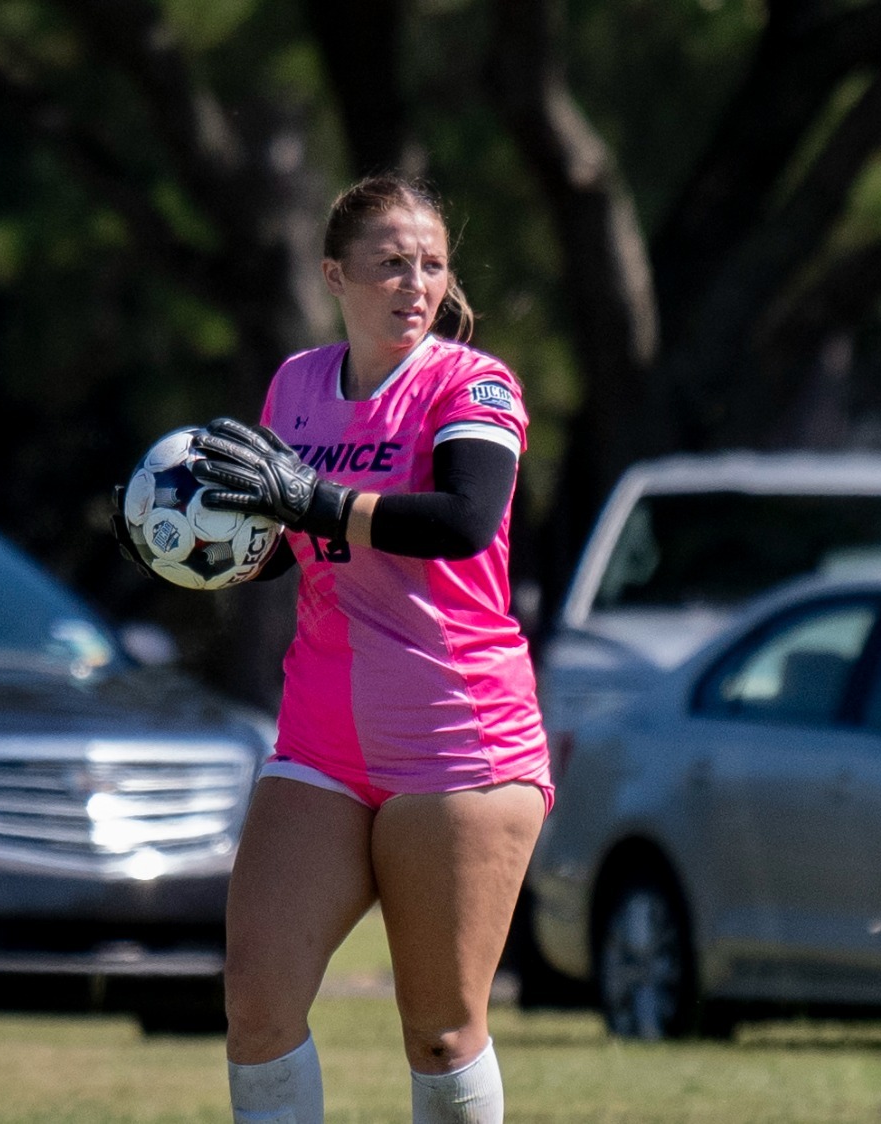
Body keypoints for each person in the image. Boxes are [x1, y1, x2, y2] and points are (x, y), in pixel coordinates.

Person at [190, 175, 549, 1124]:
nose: (415, 282)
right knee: (257, 1006)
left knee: (439, 1029)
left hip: (456, 742)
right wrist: (194, 545)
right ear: (335, 275)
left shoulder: (472, 382)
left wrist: (319, 502)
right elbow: (281, 552)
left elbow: (464, 521)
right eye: (391, 263)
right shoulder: (297, 384)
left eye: (431, 264)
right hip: (320, 741)